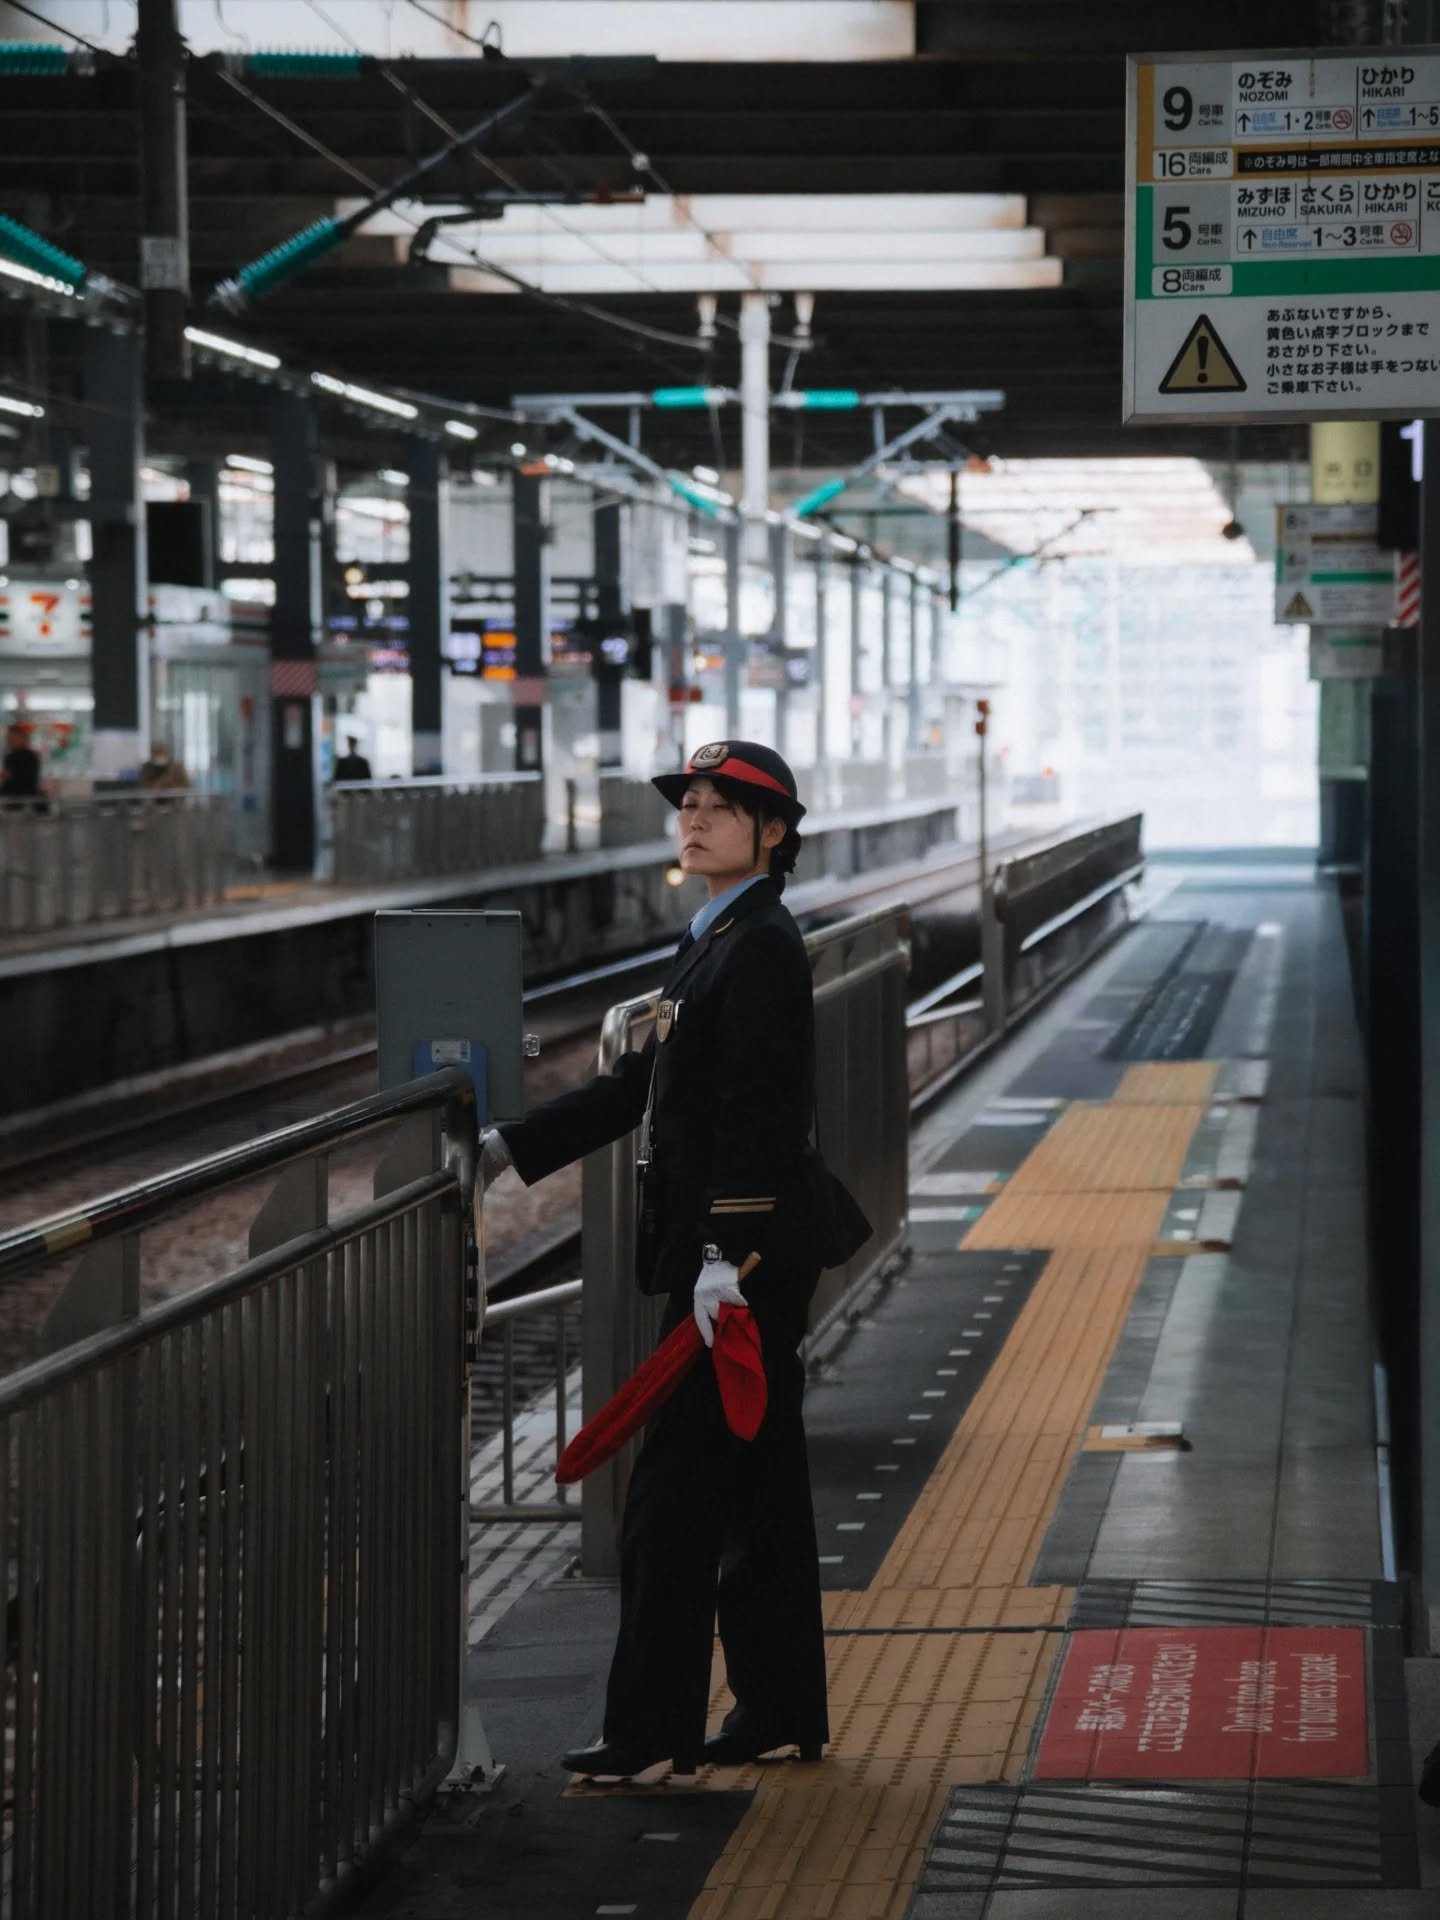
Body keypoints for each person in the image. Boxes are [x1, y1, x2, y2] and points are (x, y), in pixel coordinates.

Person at [480, 739, 832, 1778]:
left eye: (725, 807)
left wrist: (723, 1256)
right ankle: (777, 1706)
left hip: (745, 1264)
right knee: (759, 1493)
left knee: (669, 1508)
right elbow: (641, 1088)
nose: (696, 816)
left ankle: (648, 1732)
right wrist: (510, 1149)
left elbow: (762, 1117)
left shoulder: (758, 945)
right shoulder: (716, 937)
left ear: (773, 833)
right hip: (749, 1254)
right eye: (691, 802)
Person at [1, 722, 42, 802]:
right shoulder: (9, 757)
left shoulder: (30, 757)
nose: (11, 741)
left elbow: (28, 780)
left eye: (14, 738)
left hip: (23, 798)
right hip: (11, 797)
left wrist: (9, 776)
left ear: (23, 738)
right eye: (9, 739)